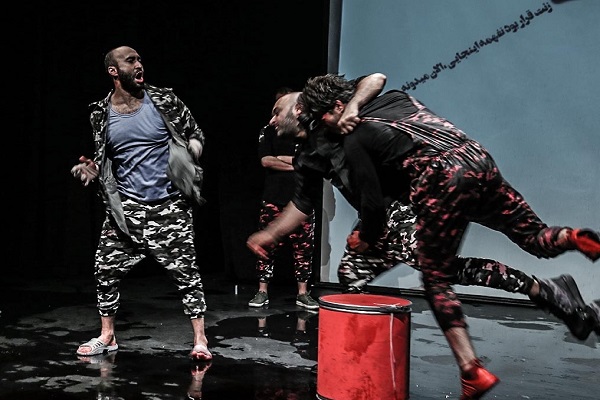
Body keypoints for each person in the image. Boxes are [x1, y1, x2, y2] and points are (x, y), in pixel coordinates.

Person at [247, 78, 600, 398]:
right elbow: (302, 204)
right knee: (352, 272)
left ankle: (542, 292)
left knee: (440, 274)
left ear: (299, 108)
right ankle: (363, 365)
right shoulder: (308, 155)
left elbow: (373, 81)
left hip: (401, 209)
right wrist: (269, 234)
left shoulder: (350, 122)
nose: (273, 120)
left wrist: (353, 107)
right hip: (384, 216)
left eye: (277, 111)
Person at [71, 45, 211, 361]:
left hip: (169, 205)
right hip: (126, 209)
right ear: (113, 71)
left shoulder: (164, 100)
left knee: (186, 274)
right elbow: (106, 157)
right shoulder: (100, 113)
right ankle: (108, 336)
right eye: (130, 60)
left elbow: (196, 133)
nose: (139, 64)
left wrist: (190, 151)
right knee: (105, 269)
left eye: (139, 59)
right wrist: (92, 169)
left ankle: (200, 340)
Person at [248, 87, 318, 310]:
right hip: (273, 197)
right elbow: (266, 160)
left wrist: (292, 161)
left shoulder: (311, 134)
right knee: (266, 248)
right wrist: (296, 164)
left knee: (304, 249)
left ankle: (303, 293)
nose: (273, 119)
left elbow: (312, 164)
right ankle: (262, 291)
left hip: (301, 199)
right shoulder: (269, 131)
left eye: (278, 112)